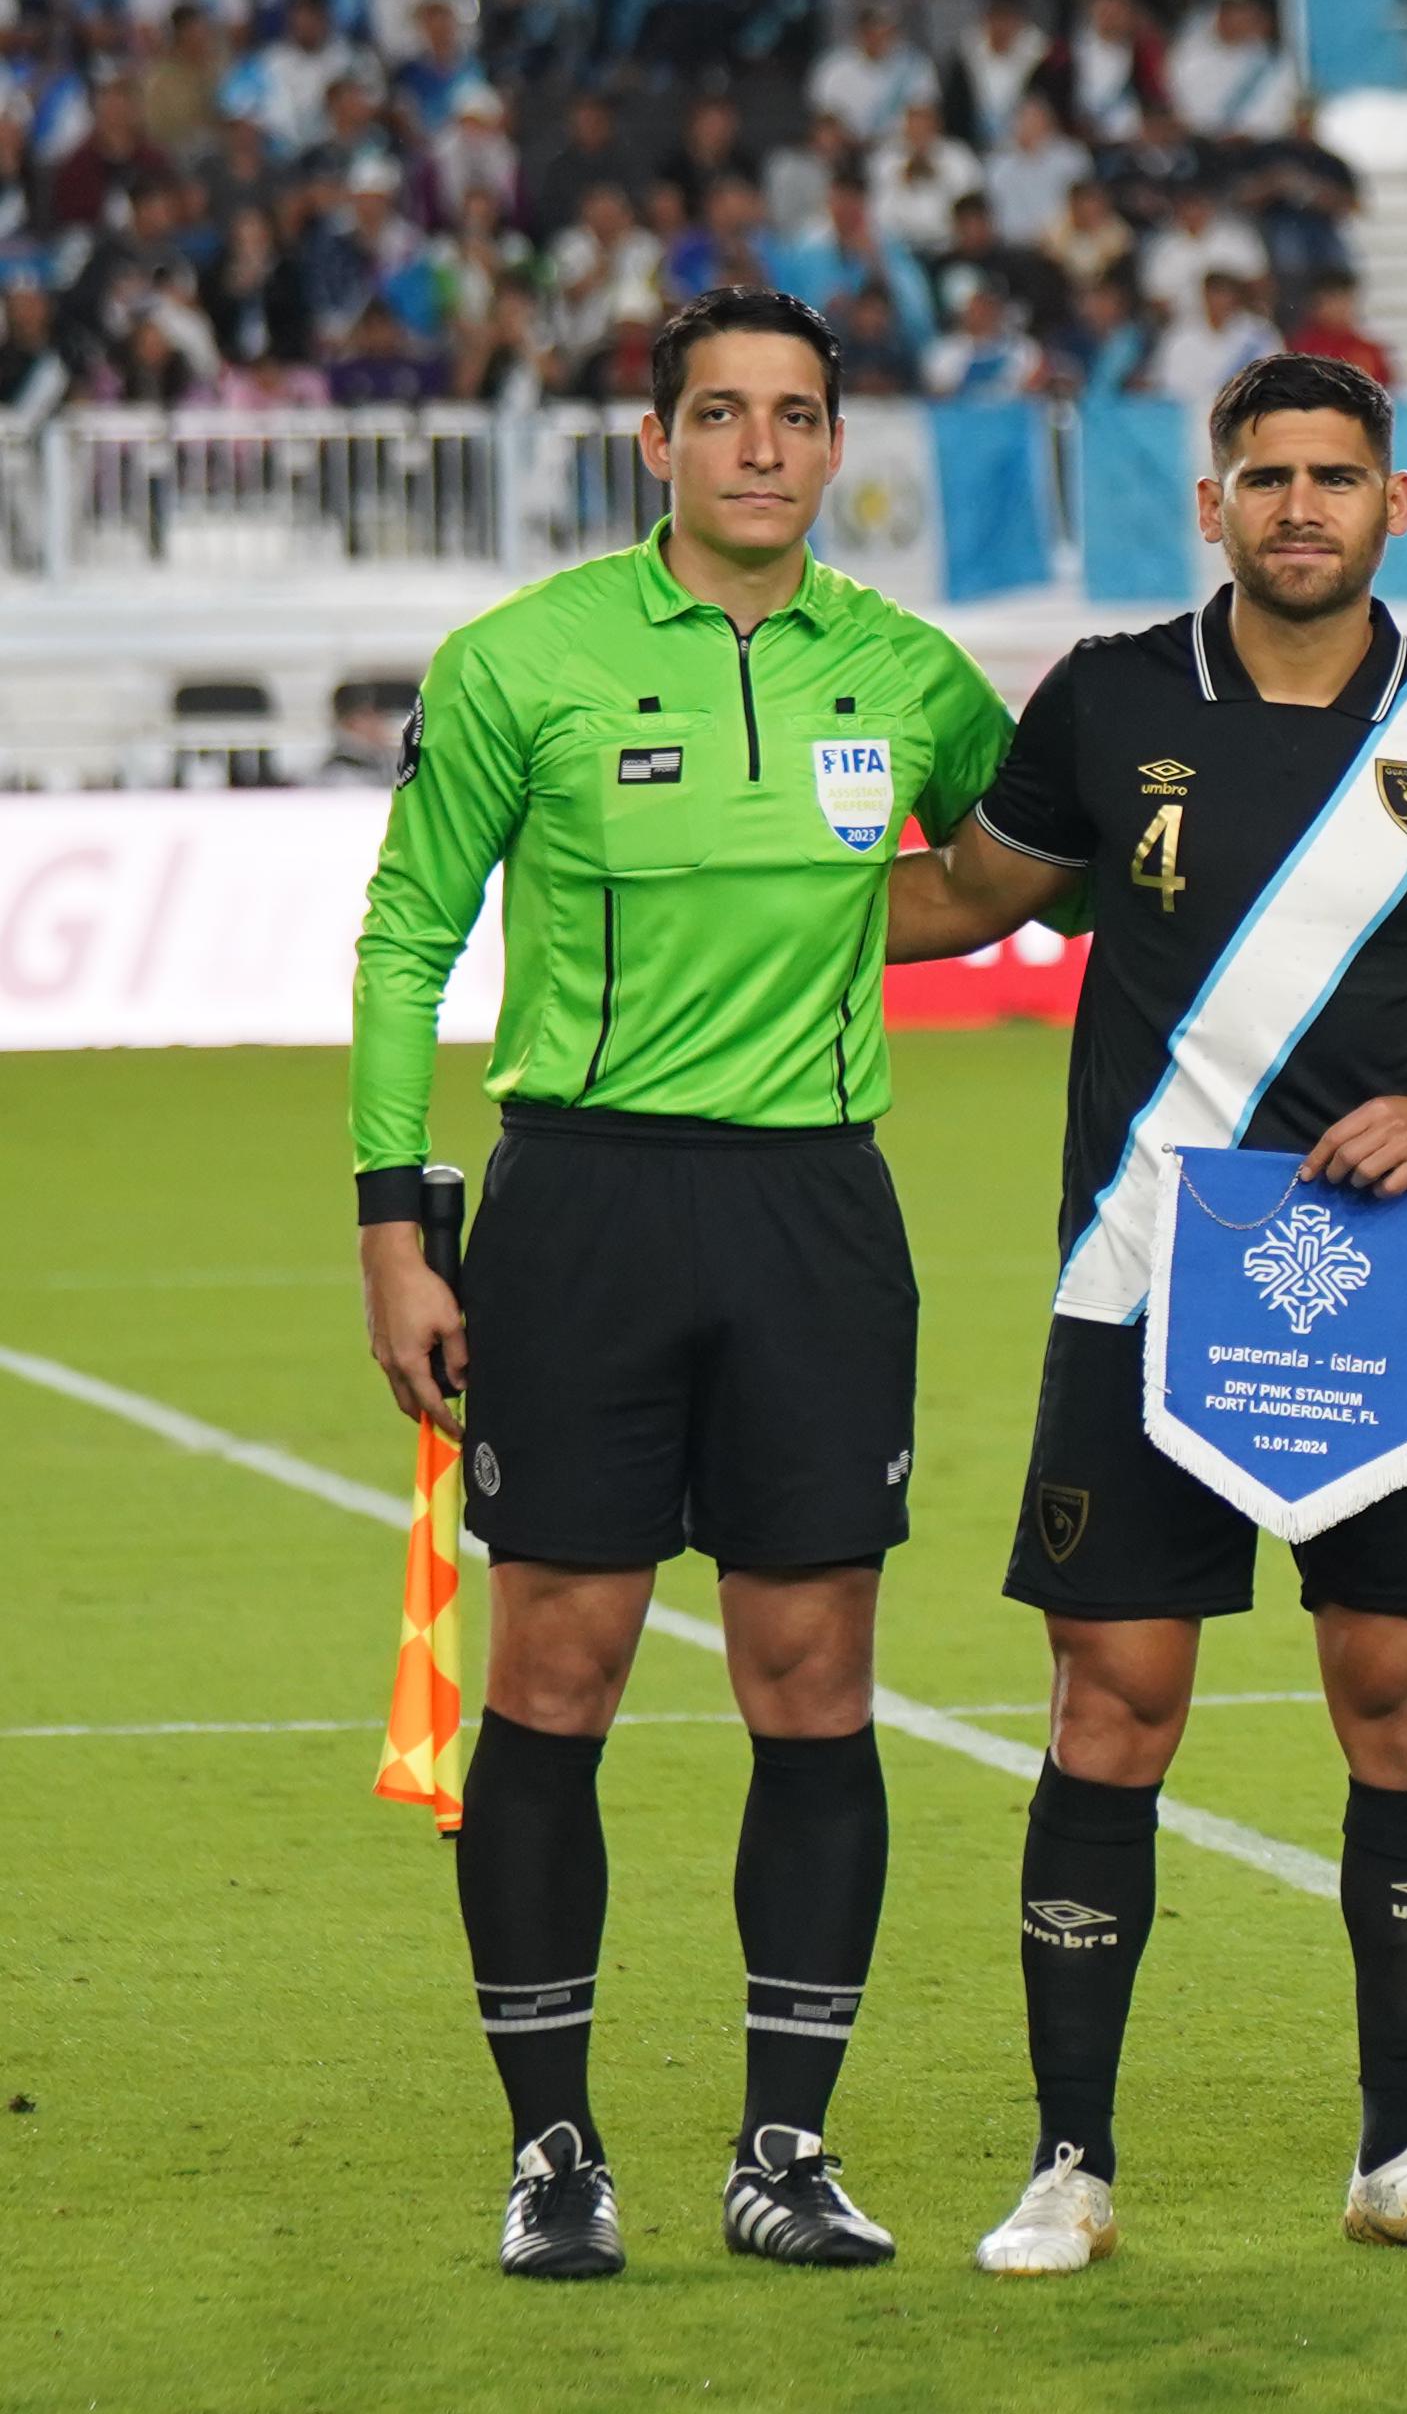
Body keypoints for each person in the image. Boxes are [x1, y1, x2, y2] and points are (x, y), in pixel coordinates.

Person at [880, 355, 1407, 2276]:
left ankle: (1406, 2154)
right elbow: (961, 899)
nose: (1301, 505)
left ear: (1396, 504)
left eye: (1337, 476)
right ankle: (1071, 2167)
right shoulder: (1112, 700)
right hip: (1135, 1285)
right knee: (1114, 1713)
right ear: (1213, 503)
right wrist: (710, 874)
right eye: (1266, 475)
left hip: (1380, 1291)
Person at [349, 287, 1018, 2280]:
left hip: (818, 1214)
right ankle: (554, 2147)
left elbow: (993, 872)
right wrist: (398, 1221)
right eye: (717, 414)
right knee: (557, 1673)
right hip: (584, 1207)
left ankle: (783, 2147)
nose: (755, 447)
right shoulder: (520, 662)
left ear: (833, 451)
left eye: (792, 417)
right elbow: (407, 933)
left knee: (814, 1686)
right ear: (654, 443)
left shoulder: (909, 672)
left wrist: (819, 931)